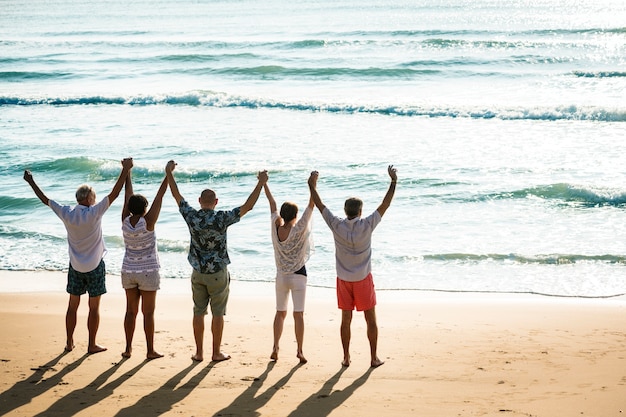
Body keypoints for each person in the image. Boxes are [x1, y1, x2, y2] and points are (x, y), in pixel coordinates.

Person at [23, 158, 133, 354]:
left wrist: (31, 182)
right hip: (95, 266)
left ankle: (69, 342)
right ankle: (91, 345)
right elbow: (115, 194)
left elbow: (45, 200)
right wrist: (125, 170)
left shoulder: (67, 213)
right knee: (93, 308)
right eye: (94, 195)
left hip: (75, 266)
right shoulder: (94, 213)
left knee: (72, 306)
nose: (95, 198)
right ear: (89, 198)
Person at [165, 160, 268, 362]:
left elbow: (177, 196)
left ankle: (199, 353)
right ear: (216, 202)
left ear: (199, 200)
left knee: (198, 312)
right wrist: (261, 183)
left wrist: (169, 173)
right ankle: (216, 352)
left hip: (198, 272)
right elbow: (248, 206)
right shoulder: (221, 218)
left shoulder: (192, 216)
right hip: (218, 273)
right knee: (218, 313)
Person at [308, 165, 397, 368]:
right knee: (370, 319)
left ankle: (346, 357)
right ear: (360, 211)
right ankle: (373, 358)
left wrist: (311, 186)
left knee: (345, 319)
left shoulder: (336, 224)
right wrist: (393, 181)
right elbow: (385, 204)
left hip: (344, 280)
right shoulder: (367, 224)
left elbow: (320, 205)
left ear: (345, 211)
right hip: (363, 278)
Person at [120, 164, 169, 360]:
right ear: (145, 209)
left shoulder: (124, 220)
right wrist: (168, 175)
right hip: (148, 271)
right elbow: (160, 196)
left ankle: (128, 349)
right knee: (148, 313)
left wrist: (128, 172)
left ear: (130, 208)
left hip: (128, 271)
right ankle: (150, 351)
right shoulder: (148, 222)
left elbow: (127, 196)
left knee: (130, 312)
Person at [263, 180, 314, 364]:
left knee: (280, 313)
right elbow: (311, 205)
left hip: (281, 277)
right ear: (295, 216)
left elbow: (272, 203)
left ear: (282, 215)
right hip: (299, 275)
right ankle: (299, 351)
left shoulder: (275, 228)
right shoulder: (299, 229)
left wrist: (264, 183)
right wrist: (312, 185)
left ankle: (276, 347)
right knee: (298, 314)